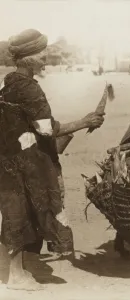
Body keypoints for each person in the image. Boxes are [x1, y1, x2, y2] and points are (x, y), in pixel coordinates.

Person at [0, 28, 105, 291]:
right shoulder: (30, 89)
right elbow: (46, 129)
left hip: (8, 159)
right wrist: (85, 121)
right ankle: (15, 276)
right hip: (29, 164)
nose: (46, 57)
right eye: (41, 53)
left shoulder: (7, 82)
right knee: (23, 213)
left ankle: (16, 269)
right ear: (27, 58)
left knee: (14, 212)